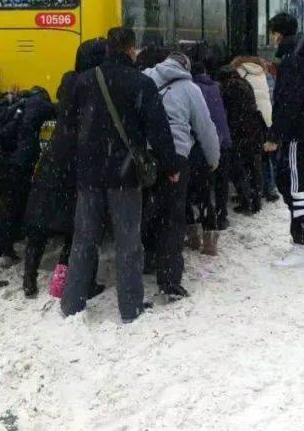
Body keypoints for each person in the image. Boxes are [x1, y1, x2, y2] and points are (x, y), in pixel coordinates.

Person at [60, 27, 178, 323]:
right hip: (125, 175)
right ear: (130, 49)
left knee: (84, 239)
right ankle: (130, 307)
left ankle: (72, 303)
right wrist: (171, 165)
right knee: (128, 241)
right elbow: (159, 131)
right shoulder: (141, 83)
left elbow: (67, 127)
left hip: (88, 173)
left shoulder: (83, 81)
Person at [22, 38, 108, 298]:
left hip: (53, 160)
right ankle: (62, 280)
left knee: (39, 222)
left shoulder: (68, 82)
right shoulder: (95, 85)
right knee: (77, 226)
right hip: (78, 163)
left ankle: (29, 276)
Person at [142, 52, 220, 299]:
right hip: (176, 159)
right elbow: (205, 128)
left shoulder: (144, 79)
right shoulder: (190, 89)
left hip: (145, 158)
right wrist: (213, 159)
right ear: (185, 67)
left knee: (146, 211)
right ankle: (169, 279)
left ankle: (147, 258)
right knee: (172, 217)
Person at [0, 86, 56, 287]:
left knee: (10, 215)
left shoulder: (14, 104)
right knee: (12, 219)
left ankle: (4, 252)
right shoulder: (37, 105)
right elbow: (61, 109)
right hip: (15, 170)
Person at [264, 13, 304, 268]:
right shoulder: (302, 54)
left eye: (272, 33)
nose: (271, 38)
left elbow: (287, 103)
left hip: (297, 133)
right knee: (287, 180)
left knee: (295, 185)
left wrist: (274, 135)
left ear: (278, 33)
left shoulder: (293, 60)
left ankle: (300, 248)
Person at [187, 61, 231, 254]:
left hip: (201, 146)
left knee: (187, 194)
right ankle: (212, 236)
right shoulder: (215, 87)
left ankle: (194, 237)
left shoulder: (193, 90)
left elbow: (201, 125)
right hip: (221, 142)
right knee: (208, 193)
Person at [218, 65, 265, 219]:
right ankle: (257, 200)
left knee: (239, 168)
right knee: (254, 166)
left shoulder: (227, 87)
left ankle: (246, 202)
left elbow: (224, 111)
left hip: (239, 131)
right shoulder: (246, 83)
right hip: (254, 128)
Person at [231, 55, 278, 202]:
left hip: (251, 119)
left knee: (248, 156)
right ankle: (269, 189)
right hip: (267, 118)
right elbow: (271, 95)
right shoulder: (264, 73)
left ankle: (250, 190)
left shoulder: (239, 72)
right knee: (265, 156)